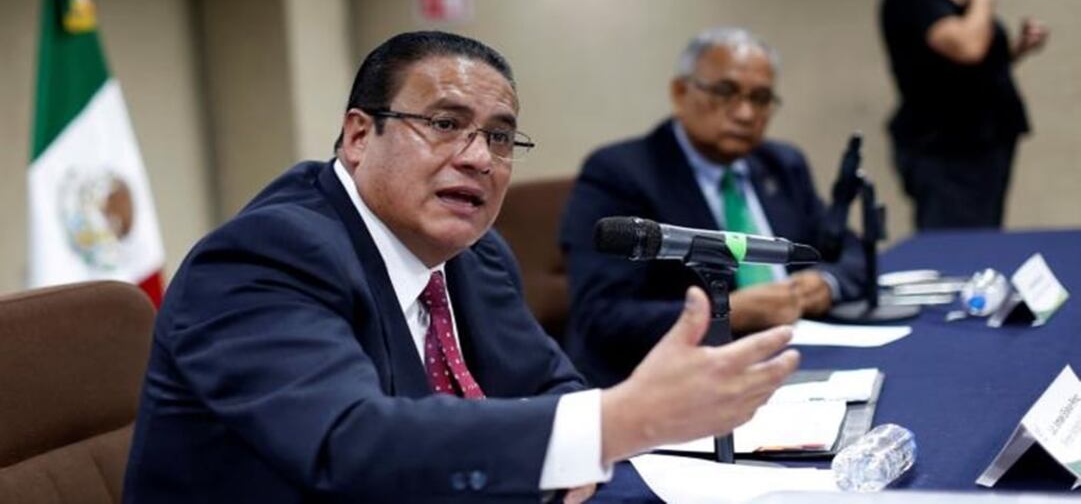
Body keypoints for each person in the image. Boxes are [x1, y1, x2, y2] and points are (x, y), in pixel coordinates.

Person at [123, 31, 799, 503]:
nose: (478, 157)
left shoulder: (471, 251)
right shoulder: (264, 257)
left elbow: (547, 384)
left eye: (499, 137)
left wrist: (594, 426)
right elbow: (347, 444)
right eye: (444, 124)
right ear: (359, 136)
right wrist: (618, 421)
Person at [561, 28, 864, 388]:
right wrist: (727, 312)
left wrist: (825, 283)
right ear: (680, 93)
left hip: (800, 354)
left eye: (761, 98)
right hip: (677, 379)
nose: (745, 113)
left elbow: (853, 250)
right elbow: (602, 317)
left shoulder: (783, 164)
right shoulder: (621, 173)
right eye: (725, 92)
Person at [877, 0, 1049, 230]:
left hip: (988, 138)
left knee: (985, 231)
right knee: (955, 236)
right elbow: (966, 47)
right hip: (945, 145)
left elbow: (972, 68)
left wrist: (1017, 49)